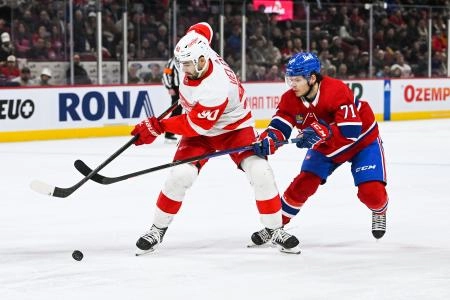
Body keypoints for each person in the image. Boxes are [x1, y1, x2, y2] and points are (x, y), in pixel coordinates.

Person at [130, 22, 300, 255]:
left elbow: (197, 125)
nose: (184, 69)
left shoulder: (217, 86)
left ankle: (275, 230)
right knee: (180, 175)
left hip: (234, 129)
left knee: (260, 171)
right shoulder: (197, 46)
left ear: (202, 60)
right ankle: (156, 230)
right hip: (201, 126)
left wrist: (157, 126)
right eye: (183, 64)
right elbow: (204, 27)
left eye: (188, 64)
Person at [252, 52, 389, 243]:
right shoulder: (290, 99)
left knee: (372, 194)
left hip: (362, 141)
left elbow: (351, 130)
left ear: (312, 78)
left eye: (297, 80)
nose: (292, 84)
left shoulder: (336, 90)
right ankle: (275, 226)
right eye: (289, 79)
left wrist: (322, 129)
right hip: (326, 145)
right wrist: (269, 139)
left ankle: (380, 210)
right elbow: (280, 125)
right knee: (302, 185)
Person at [161, 55, 183, 143]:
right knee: (176, 111)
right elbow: (166, 74)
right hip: (176, 88)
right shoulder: (173, 61)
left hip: (187, 88)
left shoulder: (188, 58)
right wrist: (169, 87)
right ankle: (168, 134)